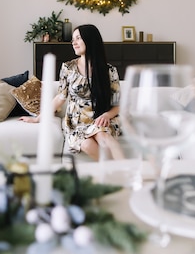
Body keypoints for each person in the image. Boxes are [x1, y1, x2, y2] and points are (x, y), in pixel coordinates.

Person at [20, 24, 124, 161]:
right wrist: (38, 118)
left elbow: (118, 105)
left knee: (102, 135)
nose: (73, 43)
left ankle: (126, 168)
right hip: (77, 122)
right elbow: (60, 98)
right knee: (86, 145)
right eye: (73, 39)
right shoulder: (68, 68)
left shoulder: (109, 70)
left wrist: (106, 115)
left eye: (78, 38)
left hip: (101, 119)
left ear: (90, 40)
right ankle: (116, 171)